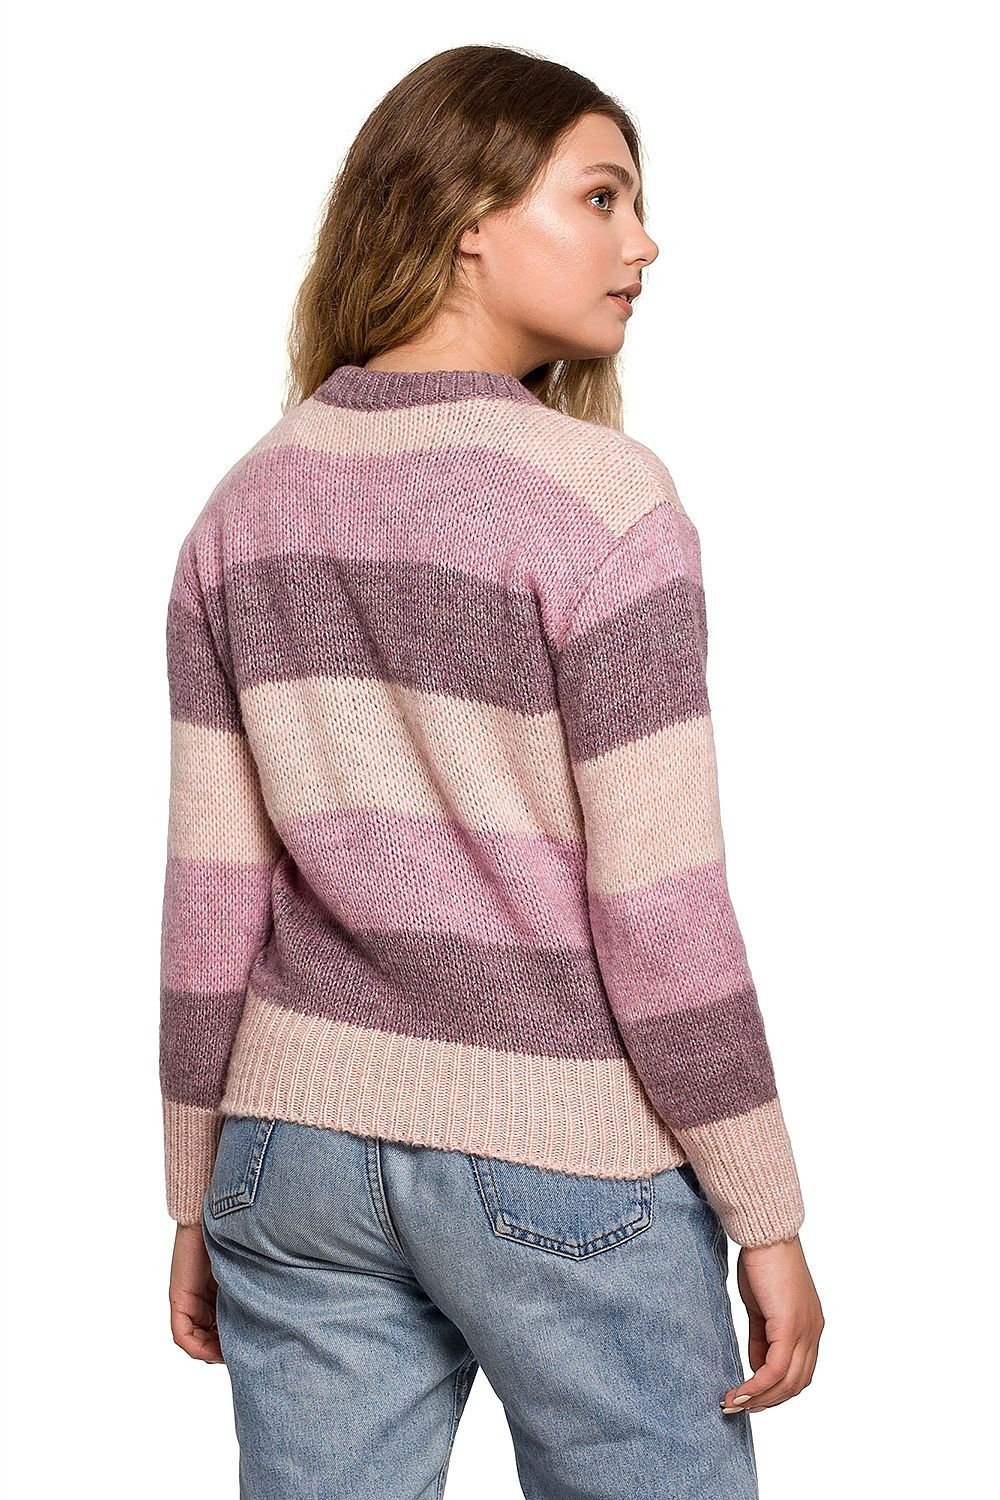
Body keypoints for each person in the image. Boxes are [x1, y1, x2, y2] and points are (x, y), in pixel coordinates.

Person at [161, 42, 823, 1500]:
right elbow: (661, 912)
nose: (643, 243)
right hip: (557, 1150)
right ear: (468, 215)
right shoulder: (603, 503)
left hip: (290, 1153)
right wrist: (765, 1210)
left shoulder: (245, 507)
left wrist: (196, 1190)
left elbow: (211, 901)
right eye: (600, 197)